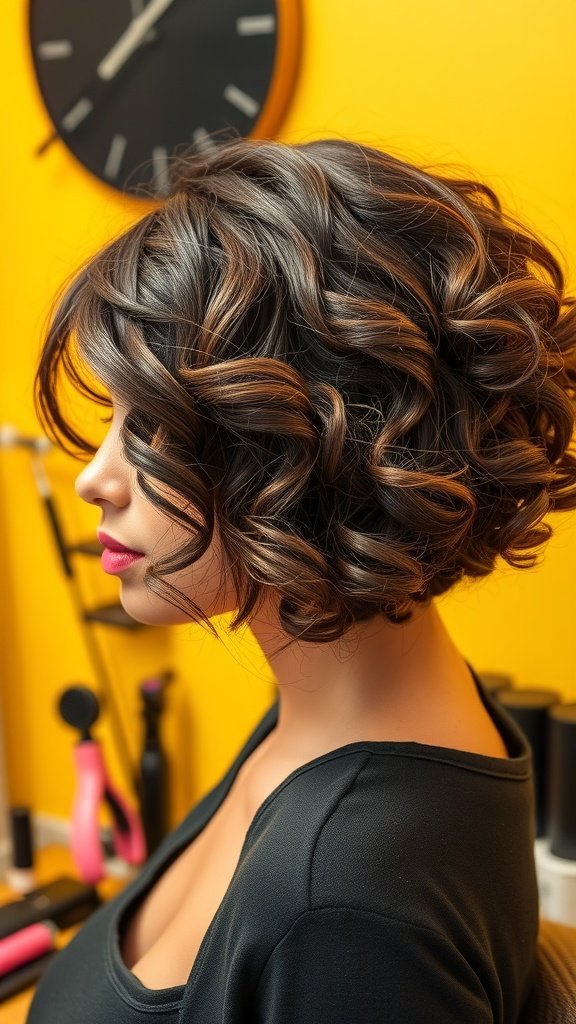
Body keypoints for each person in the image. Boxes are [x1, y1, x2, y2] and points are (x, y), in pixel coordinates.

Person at [28, 136, 576, 1023]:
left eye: (152, 427)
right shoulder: (338, 722)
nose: (96, 478)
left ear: (313, 440)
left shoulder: (342, 908)